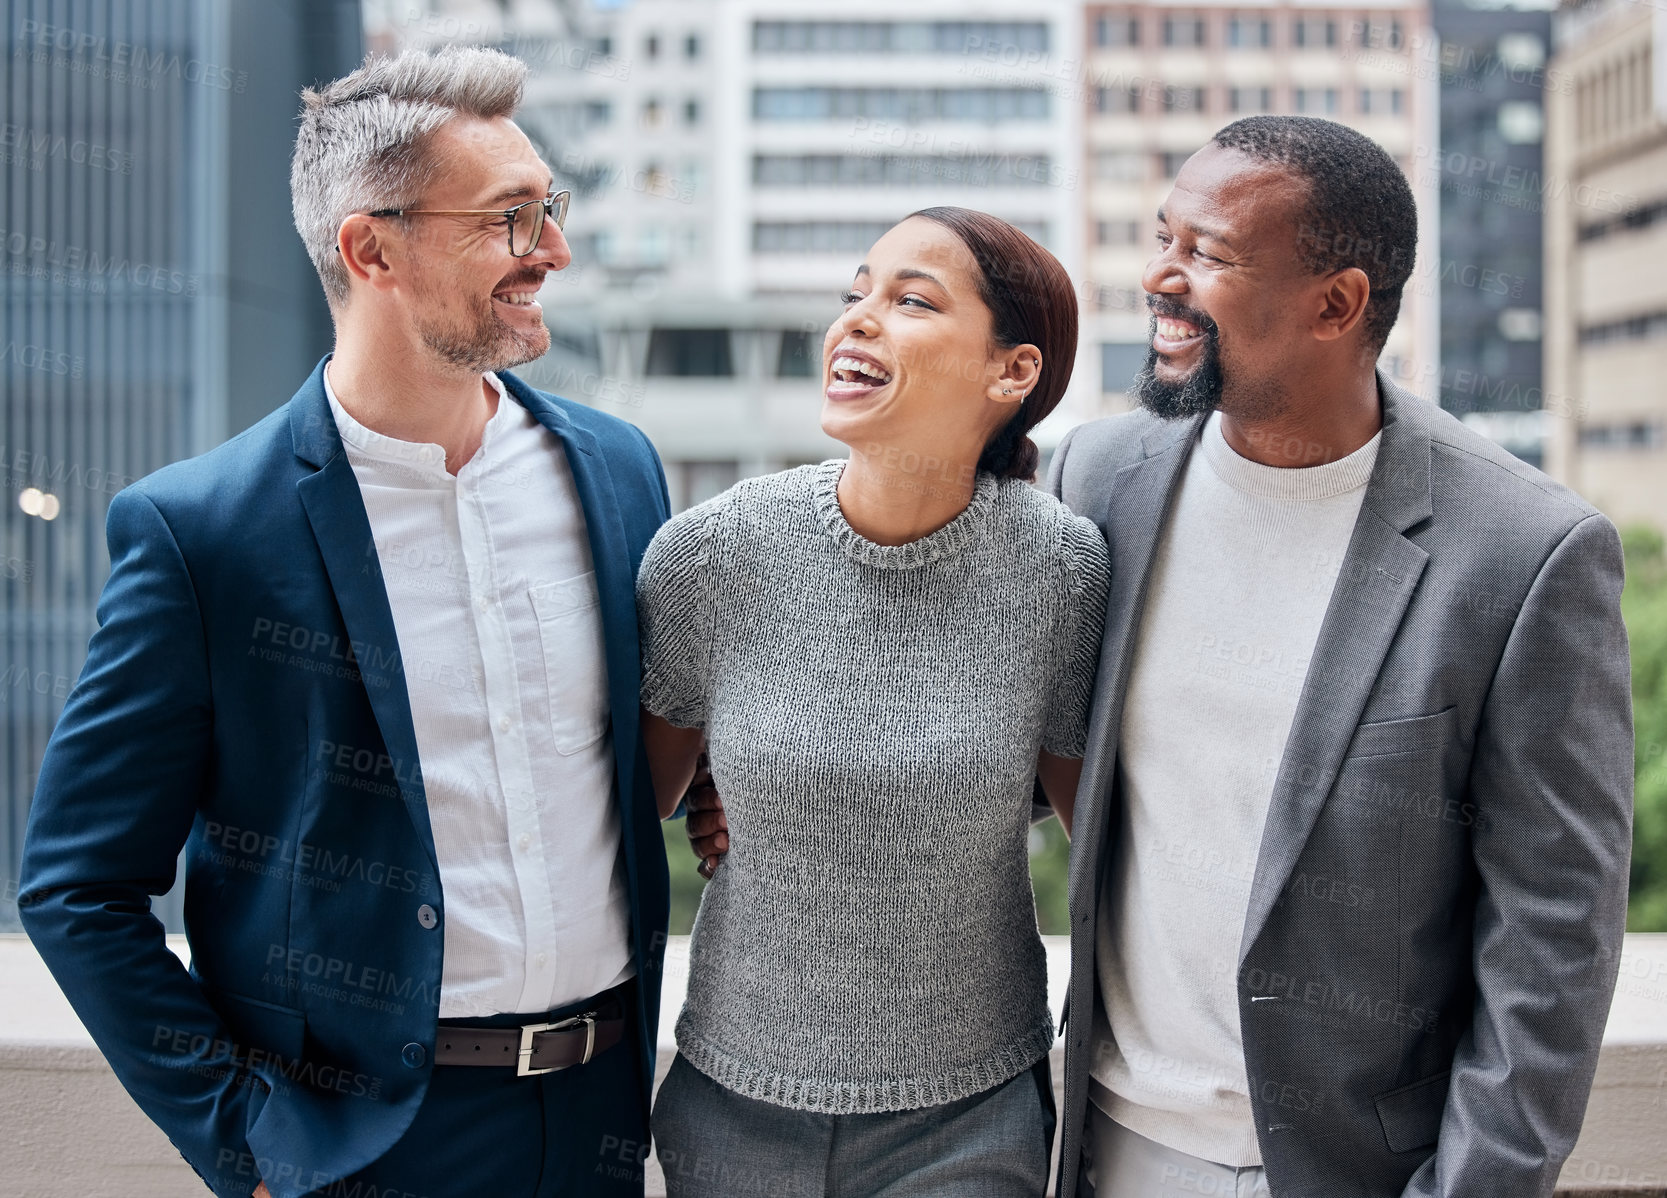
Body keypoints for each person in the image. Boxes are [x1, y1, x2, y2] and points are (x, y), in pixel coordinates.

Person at [18, 47, 670, 1198]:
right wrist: (248, 1142)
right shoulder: (202, 529)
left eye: (549, 211)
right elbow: (79, 883)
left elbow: (633, 748)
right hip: (368, 1149)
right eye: (509, 222)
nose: (551, 253)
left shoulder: (614, 469)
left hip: (603, 1116)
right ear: (373, 249)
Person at [1043, 117, 1634, 1195]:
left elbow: (1550, 939)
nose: (1158, 278)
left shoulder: (1523, 552)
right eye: (1161, 237)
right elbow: (1030, 757)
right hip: (1102, 1149)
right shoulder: (1095, 476)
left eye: (1207, 255)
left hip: (1351, 1171)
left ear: (1336, 304)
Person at [636, 208, 1109, 1196]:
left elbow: (1102, 849)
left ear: (1010, 372)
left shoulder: (1059, 571)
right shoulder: (711, 555)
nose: (856, 320)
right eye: (855, 293)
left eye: (908, 301)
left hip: (969, 1116)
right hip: (731, 1108)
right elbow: (625, 823)